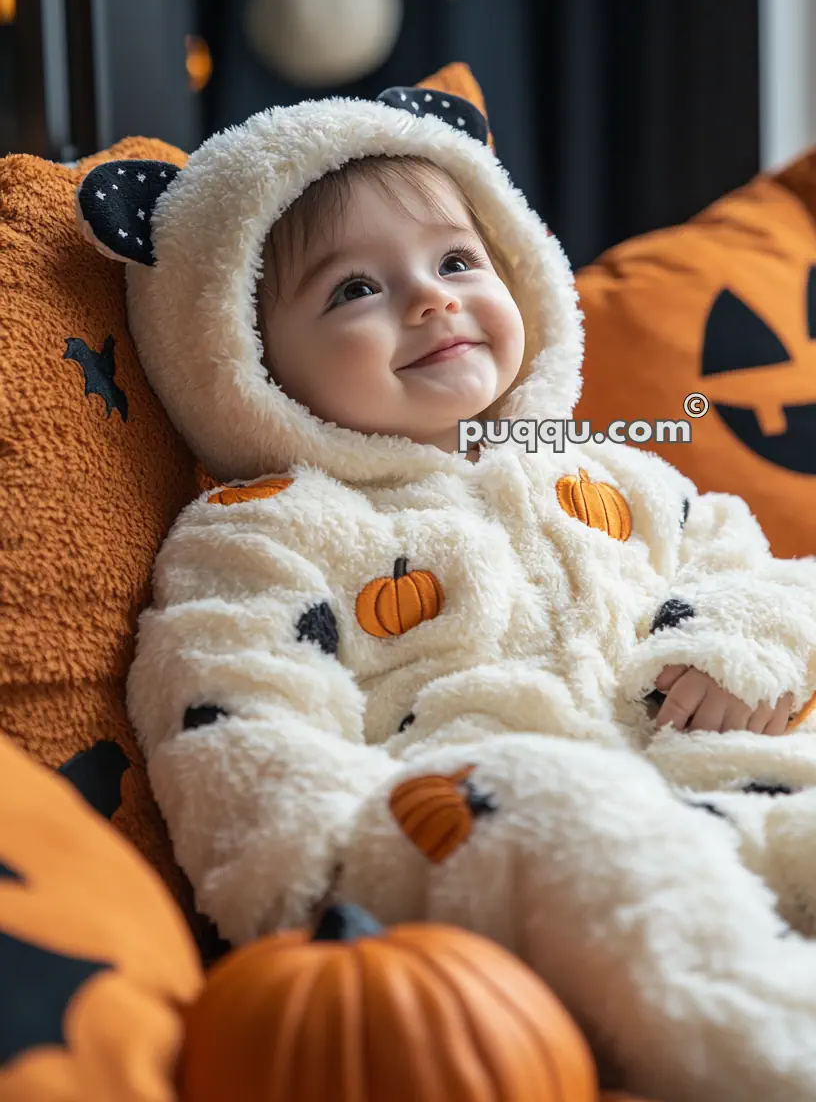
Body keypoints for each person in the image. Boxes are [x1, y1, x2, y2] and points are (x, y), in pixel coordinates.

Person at [77, 82, 816, 1102]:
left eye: (457, 260)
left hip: (719, 778)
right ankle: (775, 1052)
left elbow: (755, 566)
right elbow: (239, 718)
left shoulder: (605, 471)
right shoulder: (262, 532)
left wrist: (746, 643)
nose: (429, 298)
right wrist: (316, 898)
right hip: (464, 832)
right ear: (239, 358)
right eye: (352, 290)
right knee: (566, 813)